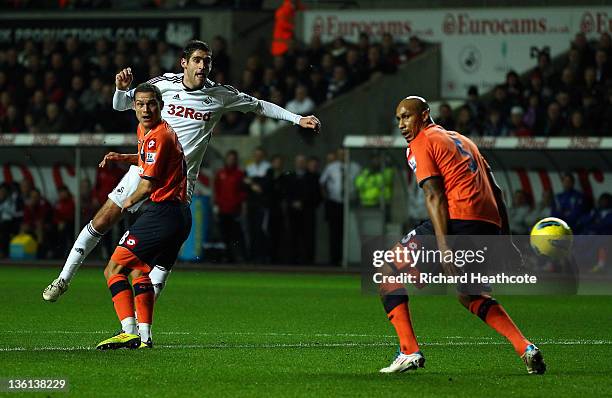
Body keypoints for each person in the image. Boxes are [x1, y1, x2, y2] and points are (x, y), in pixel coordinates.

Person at [43, 39, 320, 301]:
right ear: (184, 63)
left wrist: (298, 119)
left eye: (207, 61)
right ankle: (64, 279)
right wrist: (119, 88)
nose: (202, 66)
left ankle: (142, 327)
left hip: (179, 184)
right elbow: (121, 105)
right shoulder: (163, 84)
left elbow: (260, 106)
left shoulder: (220, 94)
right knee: (103, 219)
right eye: (197, 60)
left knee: (164, 255)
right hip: (145, 168)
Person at [378, 96, 545, 375]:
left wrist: (444, 246)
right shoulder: (463, 140)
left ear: (424, 115)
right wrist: (506, 242)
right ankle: (525, 347)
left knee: (387, 270)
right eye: (398, 119)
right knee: (468, 294)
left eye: (407, 117)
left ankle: (408, 351)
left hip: (458, 220)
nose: (402, 124)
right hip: (486, 225)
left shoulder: (423, 140)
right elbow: (497, 192)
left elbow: (434, 195)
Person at [95, 83, 191, 350]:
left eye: (151, 104)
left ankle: (128, 331)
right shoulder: (150, 132)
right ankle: (145, 337)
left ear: (161, 106)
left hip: (163, 213)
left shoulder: (158, 135)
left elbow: (147, 186)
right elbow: (149, 158)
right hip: (179, 215)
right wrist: (124, 157)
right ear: (134, 107)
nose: (146, 109)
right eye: (140, 104)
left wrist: (124, 203)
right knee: (139, 271)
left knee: (113, 269)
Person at [319, 148, 360, 265]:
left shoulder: (355, 167)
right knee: (334, 232)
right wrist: (326, 198)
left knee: (348, 231)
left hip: (350, 203)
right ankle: (334, 259)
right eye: (340, 154)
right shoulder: (331, 167)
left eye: (344, 154)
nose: (342, 156)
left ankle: (348, 258)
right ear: (337, 155)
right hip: (335, 203)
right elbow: (322, 182)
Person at [214, 150, 247, 263]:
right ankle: (227, 257)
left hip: (234, 209)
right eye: (229, 158)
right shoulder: (220, 173)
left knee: (236, 235)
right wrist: (217, 205)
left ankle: (239, 257)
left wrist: (240, 205)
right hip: (223, 209)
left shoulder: (239, 174)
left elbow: (242, 192)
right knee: (225, 235)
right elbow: (217, 190)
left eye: (233, 159)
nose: (231, 160)